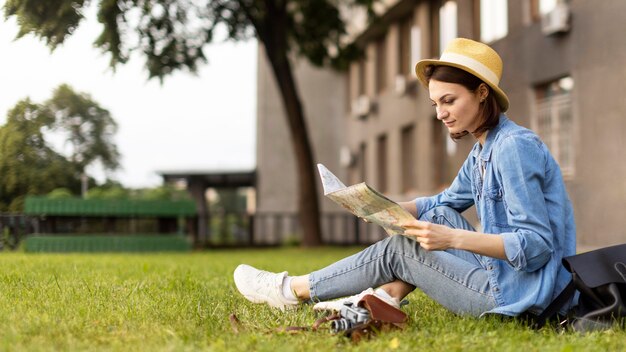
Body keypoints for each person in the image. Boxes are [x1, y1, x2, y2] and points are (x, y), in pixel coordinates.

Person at [233, 38, 576, 318]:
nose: (441, 113)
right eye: (435, 104)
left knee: (402, 249)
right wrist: (383, 208)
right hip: (508, 280)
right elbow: (441, 204)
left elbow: (536, 246)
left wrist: (451, 239)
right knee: (434, 215)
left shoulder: (513, 148)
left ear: (482, 92)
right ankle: (379, 300)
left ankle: (292, 290)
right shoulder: (484, 150)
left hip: (526, 298)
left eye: (449, 101)